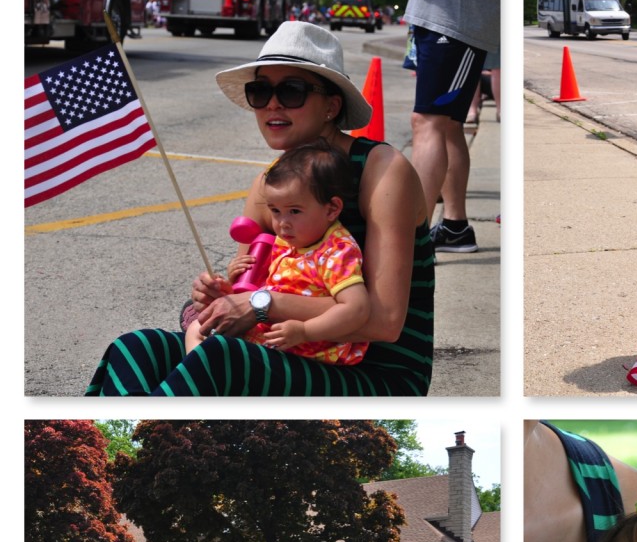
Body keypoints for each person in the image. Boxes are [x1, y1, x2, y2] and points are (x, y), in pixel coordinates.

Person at [86, 21, 433, 397]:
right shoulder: (269, 184)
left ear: (332, 106)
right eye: (260, 90)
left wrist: (261, 304)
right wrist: (216, 298)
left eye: (292, 90)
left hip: (376, 370)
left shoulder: (381, 170)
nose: (272, 103)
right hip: (284, 347)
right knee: (136, 348)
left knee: (221, 358)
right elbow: (250, 289)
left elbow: (384, 322)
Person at [184, 141, 370, 367]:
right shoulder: (287, 241)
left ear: (331, 209)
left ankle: (205, 377)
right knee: (197, 329)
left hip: (308, 352)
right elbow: (269, 288)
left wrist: (305, 330)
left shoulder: (336, 251)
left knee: (215, 346)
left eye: (294, 211)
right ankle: (203, 374)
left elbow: (357, 309)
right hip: (273, 337)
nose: (283, 223)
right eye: (275, 211)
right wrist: (229, 287)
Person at [378, 0, 499, 254]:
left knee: (428, 121)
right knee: (446, 125)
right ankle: (455, 227)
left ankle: (412, 240)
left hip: (457, 21)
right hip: (439, 18)